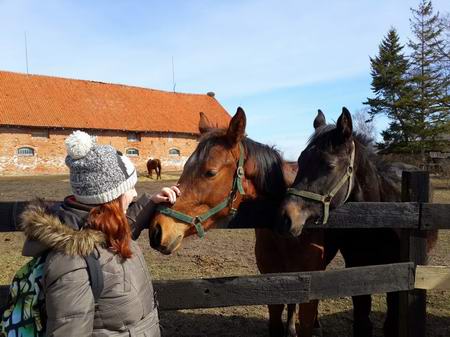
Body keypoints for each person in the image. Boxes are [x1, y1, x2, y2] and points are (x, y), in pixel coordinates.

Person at [19, 130, 179, 337]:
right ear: (109, 198)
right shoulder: (71, 264)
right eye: (129, 188)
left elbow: (115, 232)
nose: (135, 193)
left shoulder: (99, 229)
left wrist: (150, 203)